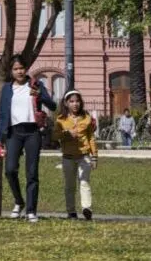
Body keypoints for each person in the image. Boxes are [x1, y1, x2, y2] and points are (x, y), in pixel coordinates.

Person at [0, 55, 56, 223]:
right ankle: (19, 201)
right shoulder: (7, 88)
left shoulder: (36, 85)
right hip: (14, 132)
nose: (19, 71)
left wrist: (40, 96)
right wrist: (0, 138)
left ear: (26, 68)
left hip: (32, 132)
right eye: (15, 69)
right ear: (11, 71)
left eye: (21, 68)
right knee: (10, 169)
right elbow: (2, 114)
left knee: (32, 173)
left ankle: (31, 210)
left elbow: (53, 106)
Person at [52, 90, 97, 220]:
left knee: (84, 182)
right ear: (66, 103)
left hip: (84, 156)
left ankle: (86, 208)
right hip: (68, 157)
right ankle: (71, 211)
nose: (75, 104)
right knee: (70, 185)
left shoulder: (87, 118)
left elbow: (91, 138)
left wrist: (94, 157)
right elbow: (54, 136)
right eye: (71, 101)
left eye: (77, 101)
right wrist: (66, 133)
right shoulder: (61, 119)